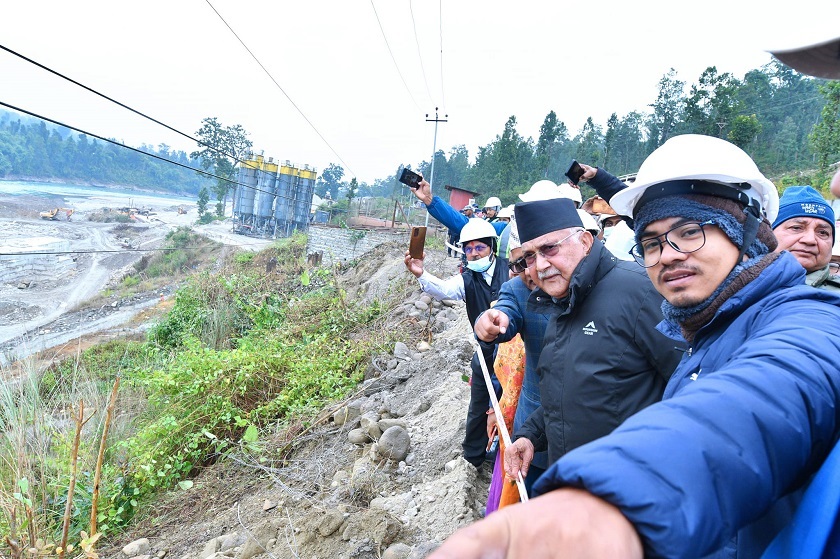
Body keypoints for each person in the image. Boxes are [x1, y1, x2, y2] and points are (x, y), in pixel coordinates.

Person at [429, 134, 840, 559]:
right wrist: (533, 434)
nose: (668, 255)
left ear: (748, 230)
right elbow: (569, 385)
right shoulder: (702, 328)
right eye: (652, 242)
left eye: (690, 231)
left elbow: (745, 411)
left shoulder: (813, 322)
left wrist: (613, 503)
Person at [475, 196, 683, 491]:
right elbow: (570, 392)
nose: (541, 265)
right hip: (575, 485)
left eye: (550, 248)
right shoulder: (561, 302)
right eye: (530, 257)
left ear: (585, 241)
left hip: (632, 490)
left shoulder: (640, 292)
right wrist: (530, 435)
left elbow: (689, 388)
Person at [404, 218, 508, 468]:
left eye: (479, 248)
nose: (473, 254)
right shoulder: (467, 279)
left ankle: (504, 456)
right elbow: (444, 290)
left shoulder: (511, 270)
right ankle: (473, 458)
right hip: (485, 354)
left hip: (513, 352)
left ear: (491, 247)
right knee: (478, 408)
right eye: (469, 249)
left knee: (510, 403)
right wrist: (421, 273)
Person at [772, 185, 840, 291]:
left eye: (822, 232)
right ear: (768, 235)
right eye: (796, 228)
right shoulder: (741, 286)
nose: (810, 240)